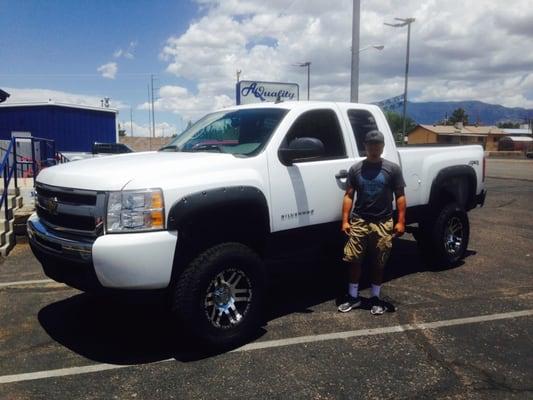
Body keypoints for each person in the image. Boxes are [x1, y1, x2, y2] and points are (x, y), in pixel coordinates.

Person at [338, 130, 406, 315]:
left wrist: (400, 221)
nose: (374, 148)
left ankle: (375, 297)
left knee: (379, 262)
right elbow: (349, 195)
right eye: (370, 144)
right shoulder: (356, 169)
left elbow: (400, 196)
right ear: (365, 146)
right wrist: (345, 220)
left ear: (382, 146)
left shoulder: (392, 169)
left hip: (383, 221)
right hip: (360, 220)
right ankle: (353, 297)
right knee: (354, 260)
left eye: (377, 144)